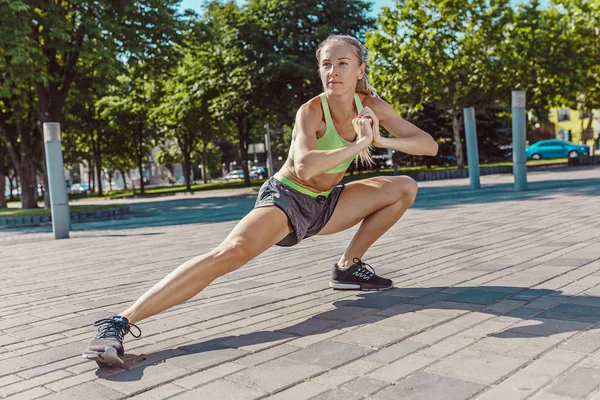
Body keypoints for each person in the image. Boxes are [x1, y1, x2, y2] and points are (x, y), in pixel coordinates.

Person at [83, 34, 438, 366]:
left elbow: (428, 145)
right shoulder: (311, 111)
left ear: (360, 70)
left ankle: (347, 267)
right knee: (229, 253)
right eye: (326, 64)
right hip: (288, 198)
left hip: (326, 204)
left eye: (343, 63)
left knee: (404, 187)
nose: (333, 72)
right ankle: (117, 323)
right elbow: (305, 165)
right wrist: (358, 145)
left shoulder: (372, 105)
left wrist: (380, 138)